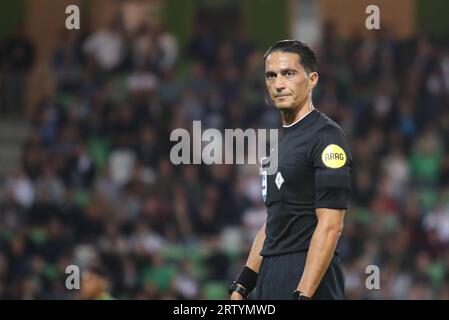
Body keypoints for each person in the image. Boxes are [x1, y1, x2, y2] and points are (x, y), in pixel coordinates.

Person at [229, 40, 352, 300]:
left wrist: (303, 294)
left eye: (289, 73)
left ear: (312, 79)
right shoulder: (279, 143)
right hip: (270, 276)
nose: (278, 83)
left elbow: (331, 226)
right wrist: (243, 285)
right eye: (271, 75)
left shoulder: (327, 136)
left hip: (309, 274)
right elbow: (275, 221)